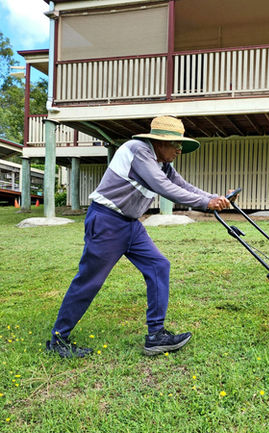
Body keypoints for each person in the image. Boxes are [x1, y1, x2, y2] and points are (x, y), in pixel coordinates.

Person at [46, 116, 230, 358]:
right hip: (107, 221)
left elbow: (184, 186)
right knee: (90, 280)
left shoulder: (162, 163)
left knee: (158, 265)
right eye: (175, 145)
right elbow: (164, 188)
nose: (179, 150)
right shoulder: (138, 151)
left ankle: (155, 336)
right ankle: (59, 339)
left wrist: (215, 198)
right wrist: (207, 202)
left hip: (130, 225)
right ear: (159, 142)